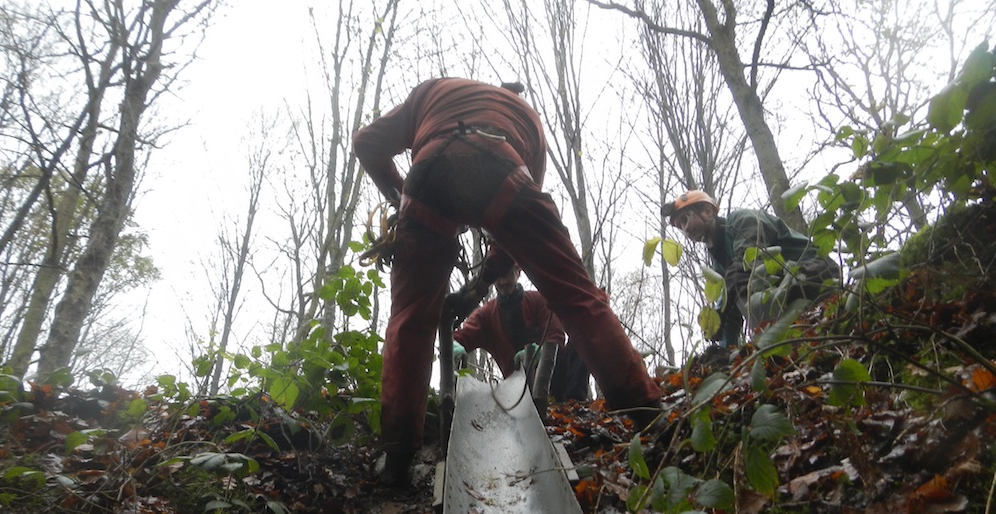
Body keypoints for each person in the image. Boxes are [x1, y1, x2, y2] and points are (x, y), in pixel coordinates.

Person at [353, 77, 662, 484]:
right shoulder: (527, 118)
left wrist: (402, 199)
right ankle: (649, 417)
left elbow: (366, 143)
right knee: (577, 297)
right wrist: (483, 283)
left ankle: (397, 458)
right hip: (502, 167)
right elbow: (518, 220)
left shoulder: (434, 90)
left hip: (428, 173)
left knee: (410, 318)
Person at [661, 189, 839, 346]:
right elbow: (729, 307)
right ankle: (776, 345)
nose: (685, 229)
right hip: (787, 289)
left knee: (741, 279)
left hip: (815, 272)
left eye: (686, 219)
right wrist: (722, 346)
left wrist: (722, 309)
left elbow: (750, 264)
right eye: (680, 226)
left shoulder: (741, 220)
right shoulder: (720, 263)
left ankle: (775, 345)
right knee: (735, 290)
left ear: (708, 211)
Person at [453, 263, 565, 376]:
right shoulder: (486, 315)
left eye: (508, 274)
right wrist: (454, 345)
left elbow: (556, 335)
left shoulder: (539, 301)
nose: (503, 281)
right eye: (498, 277)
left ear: (518, 272)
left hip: (556, 376)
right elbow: (462, 337)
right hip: (514, 383)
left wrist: (540, 353)